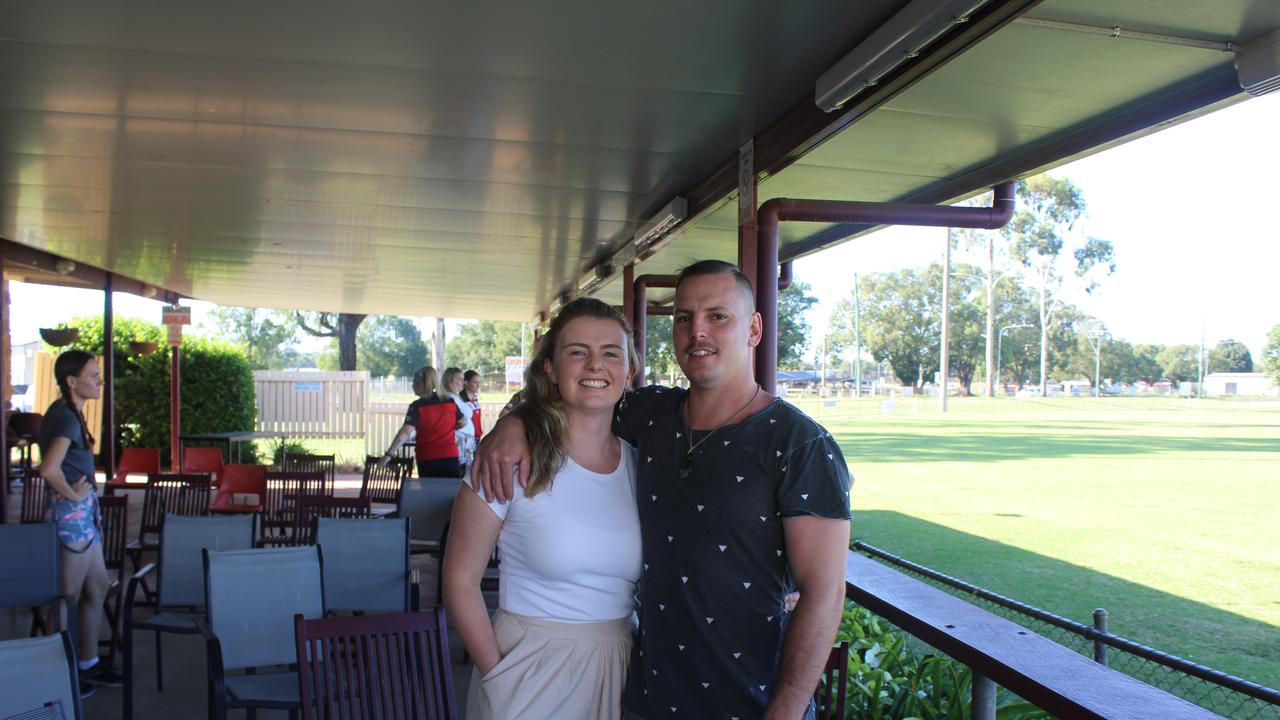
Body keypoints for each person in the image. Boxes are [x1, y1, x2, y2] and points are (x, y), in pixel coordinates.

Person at [475, 260, 852, 719]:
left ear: (754, 329)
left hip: (750, 703)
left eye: (718, 316)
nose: (699, 332)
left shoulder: (801, 444)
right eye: (684, 318)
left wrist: (786, 712)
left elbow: (825, 594)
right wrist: (513, 423)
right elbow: (572, 395)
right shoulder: (649, 415)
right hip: (646, 699)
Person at [444, 297, 641, 719]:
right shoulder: (507, 460)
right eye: (577, 352)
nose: (595, 365)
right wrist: (498, 675)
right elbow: (460, 582)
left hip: (620, 667)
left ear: (629, 370)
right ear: (550, 369)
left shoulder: (643, 466)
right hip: (527, 670)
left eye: (611, 353)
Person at [37, 350, 124, 696]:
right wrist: (73, 497)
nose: (99, 381)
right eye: (93, 375)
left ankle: (87, 663)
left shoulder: (70, 414)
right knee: (65, 597)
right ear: (72, 381)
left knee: (96, 587)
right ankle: (51, 668)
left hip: (82, 514)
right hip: (72, 516)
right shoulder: (67, 418)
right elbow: (48, 468)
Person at [381, 365, 466, 478]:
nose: (412, 385)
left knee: (429, 493)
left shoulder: (416, 406)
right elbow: (463, 421)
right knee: (450, 493)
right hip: (450, 456)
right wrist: (446, 428)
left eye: (415, 382)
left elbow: (405, 433)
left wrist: (388, 455)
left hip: (428, 457)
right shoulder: (449, 402)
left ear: (422, 384)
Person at [443, 367, 477, 475]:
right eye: (460, 379)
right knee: (460, 473)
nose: (464, 382)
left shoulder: (456, 397)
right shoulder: (449, 398)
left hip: (466, 440)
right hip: (460, 439)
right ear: (450, 380)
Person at [462, 369, 484, 441]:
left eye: (479, 382)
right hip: (466, 438)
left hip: (477, 437)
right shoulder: (461, 401)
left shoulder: (475, 399)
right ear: (466, 383)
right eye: (475, 382)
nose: (478, 385)